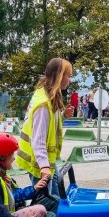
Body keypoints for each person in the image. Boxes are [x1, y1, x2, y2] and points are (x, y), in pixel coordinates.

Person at [15, 57, 73, 197]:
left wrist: (63, 116)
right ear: (59, 76)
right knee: (48, 202)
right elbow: (38, 139)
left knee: (56, 198)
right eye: (68, 76)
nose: (70, 80)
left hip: (46, 161)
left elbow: (49, 126)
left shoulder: (46, 94)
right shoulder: (43, 105)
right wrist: (44, 167)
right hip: (39, 164)